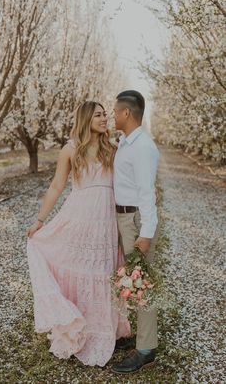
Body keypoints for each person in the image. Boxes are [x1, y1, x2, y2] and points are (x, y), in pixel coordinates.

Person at [26, 101, 130, 367]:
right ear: (85, 119)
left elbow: (124, 184)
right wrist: (40, 221)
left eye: (105, 114)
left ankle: (103, 329)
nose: (104, 118)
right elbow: (56, 186)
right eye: (98, 115)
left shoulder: (112, 148)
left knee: (103, 271)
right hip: (79, 216)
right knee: (77, 267)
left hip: (105, 220)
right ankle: (76, 327)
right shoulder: (71, 149)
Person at [112, 90, 160, 374]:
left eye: (115, 111)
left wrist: (146, 233)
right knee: (131, 282)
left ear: (127, 113)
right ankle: (135, 337)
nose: (112, 115)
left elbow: (147, 193)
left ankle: (145, 350)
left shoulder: (143, 147)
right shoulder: (126, 142)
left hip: (135, 220)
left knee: (142, 285)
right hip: (122, 217)